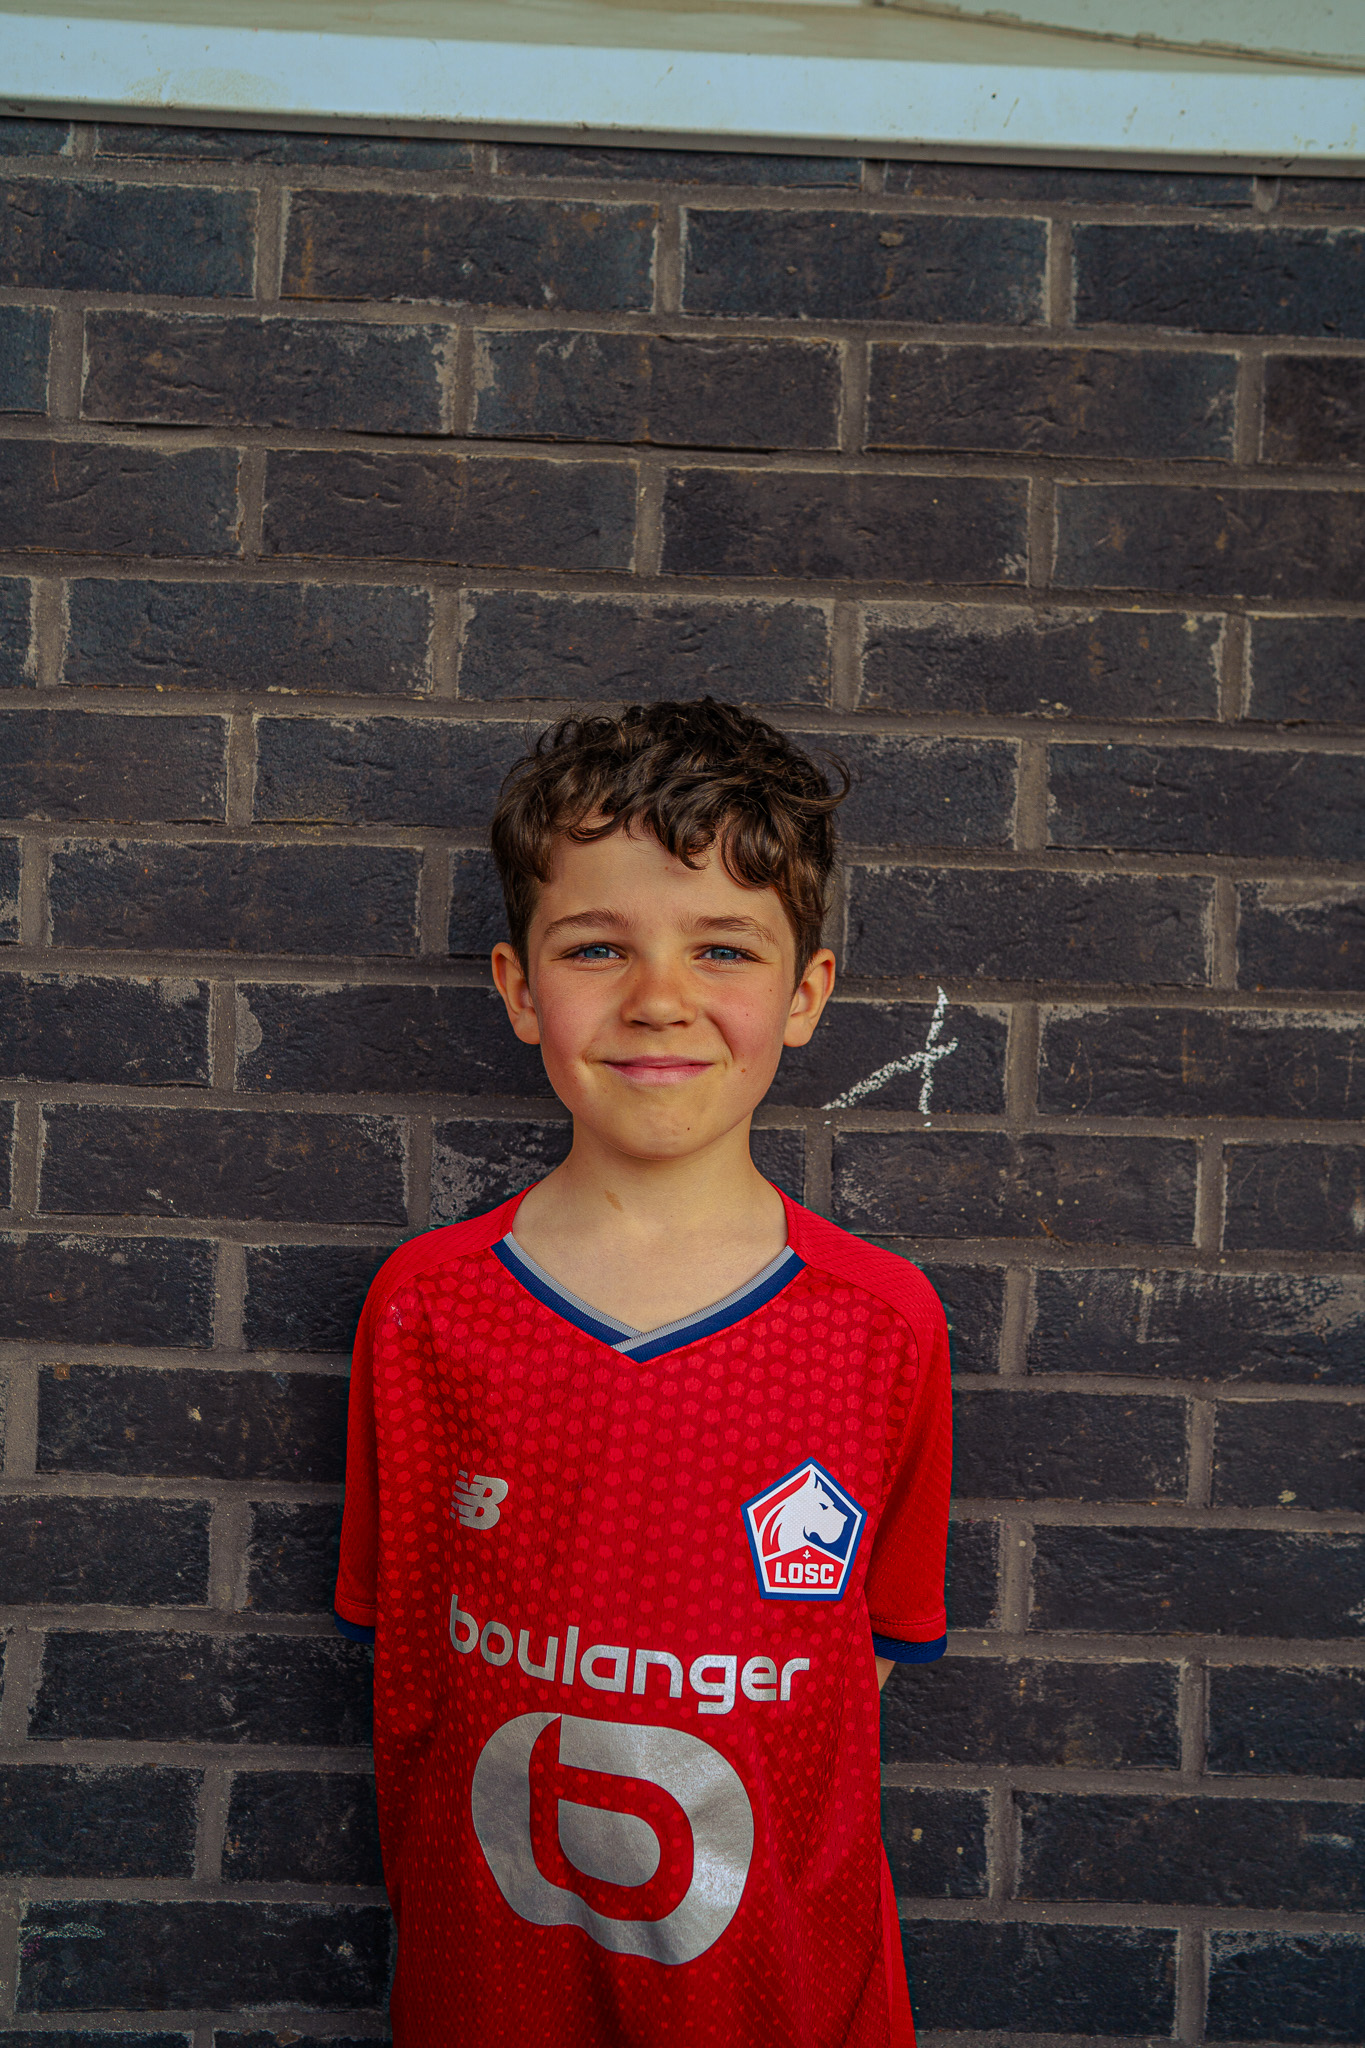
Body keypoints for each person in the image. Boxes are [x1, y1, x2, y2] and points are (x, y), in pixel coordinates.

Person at [334, 699, 953, 2048]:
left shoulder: (880, 1325)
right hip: (490, 1999)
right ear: (519, 988)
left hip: (774, 2003)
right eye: (597, 947)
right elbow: (412, 1665)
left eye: (721, 948)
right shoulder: (427, 1310)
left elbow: (862, 1668)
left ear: (805, 994)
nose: (659, 998)